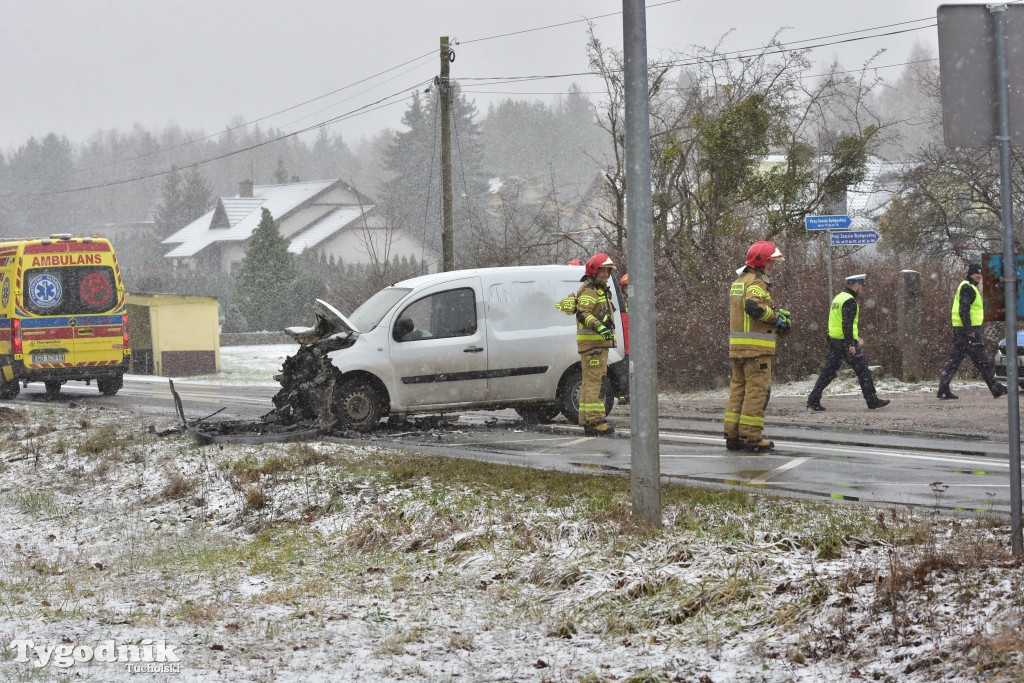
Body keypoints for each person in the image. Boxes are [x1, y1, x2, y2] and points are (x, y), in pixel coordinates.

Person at [724, 241, 791, 453]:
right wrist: (777, 319)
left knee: (738, 391)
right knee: (756, 392)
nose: (773, 265)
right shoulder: (757, 282)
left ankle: (732, 435)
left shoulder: (739, 281)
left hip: (738, 349)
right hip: (756, 351)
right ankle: (752, 437)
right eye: (771, 261)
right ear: (760, 261)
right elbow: (753, 306)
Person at [806, 274, 890, 411]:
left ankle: (813, 399)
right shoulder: (850, 300)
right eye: (861, 286)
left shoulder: (838, 298)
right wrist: (851, 343)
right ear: (855, 285)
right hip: (845, 343)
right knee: (863, 370)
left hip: (835, 341)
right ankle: (872, 400)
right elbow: (847, 323)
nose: (862, 289)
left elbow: (838, 322)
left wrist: (855, 337)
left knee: (829, 372)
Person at [937, 263, 1008, 400]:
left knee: (955, 361)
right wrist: (969, 329)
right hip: (969, 331)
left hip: (960, 329)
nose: (980, 276)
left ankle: (943, 389)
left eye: (981, 273)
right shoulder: (968, 288)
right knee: (982, 361)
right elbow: (964, 310)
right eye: (977, 273)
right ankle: (996, 388)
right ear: (971, 274)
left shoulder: (966, 286)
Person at [576, 253, 618, 436]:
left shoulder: (598, 289)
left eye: (609, 271)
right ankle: (596, 422)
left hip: (595, 346)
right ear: (594, 270)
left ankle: (587, 419)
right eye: (604, 270)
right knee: (596, 383)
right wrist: (600, 327)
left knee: (589, 382)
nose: (607, 274)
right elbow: (582, 313)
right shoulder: (590, 290)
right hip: (594, 346)